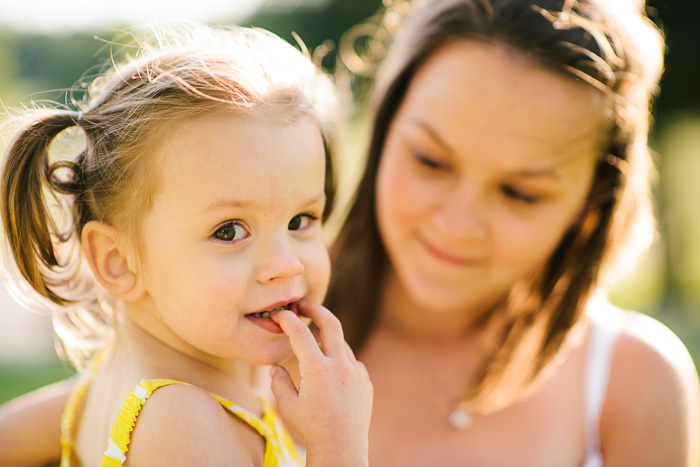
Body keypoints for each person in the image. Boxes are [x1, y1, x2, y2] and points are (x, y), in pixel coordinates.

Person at [1, 0, 698, 465]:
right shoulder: (210, 391)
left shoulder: (217, 365)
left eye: (302, 219)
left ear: (590, 204)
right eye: (430, 159)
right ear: (385, 128)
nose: (456, 221)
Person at [0, 23, 372, 466]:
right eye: (230, 230)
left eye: (301, 220)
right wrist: (339, 444)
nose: (287, 264)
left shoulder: (97, 389)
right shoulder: (186, 424)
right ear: (118, 261)